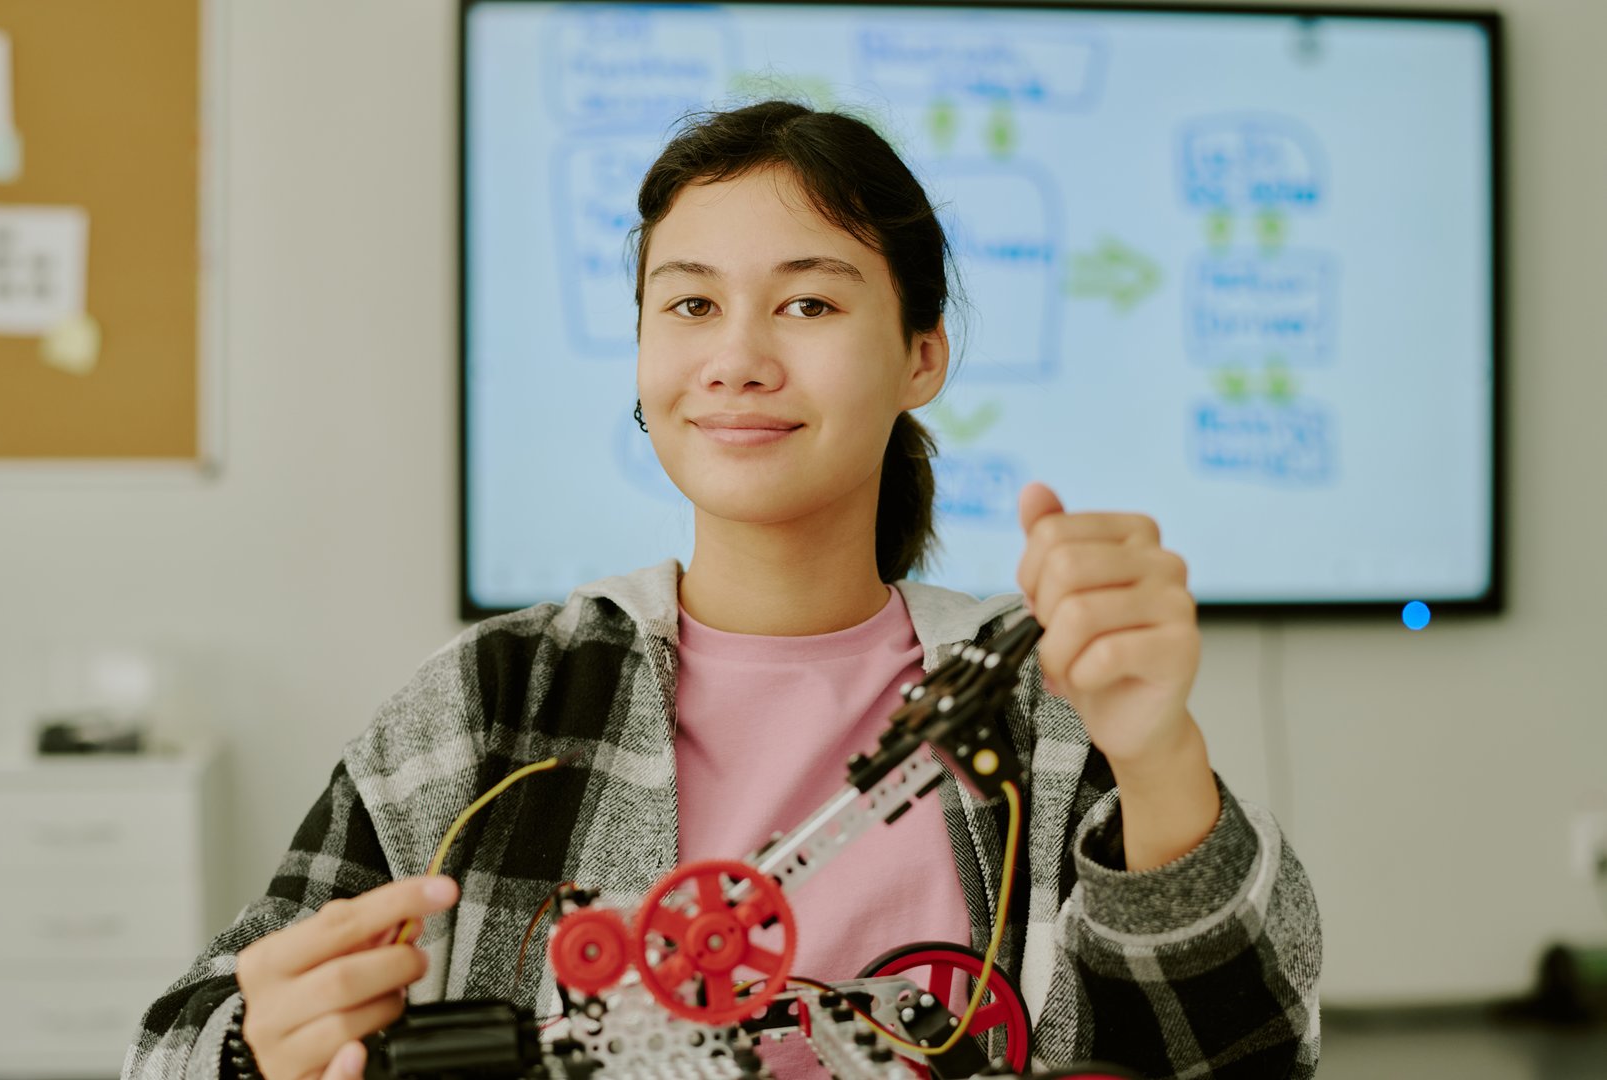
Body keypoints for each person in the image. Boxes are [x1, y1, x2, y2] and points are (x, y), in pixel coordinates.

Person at [123, 100, 1321, 1080]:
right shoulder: (500, 700)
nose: (737, 358)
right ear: (644, 352)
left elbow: (1248, 1050)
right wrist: (256, 1052)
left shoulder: (1043, 700)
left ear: (923, 354)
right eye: (691, 303)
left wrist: (1157, 750)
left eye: (809, 302)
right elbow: (176, 1040)